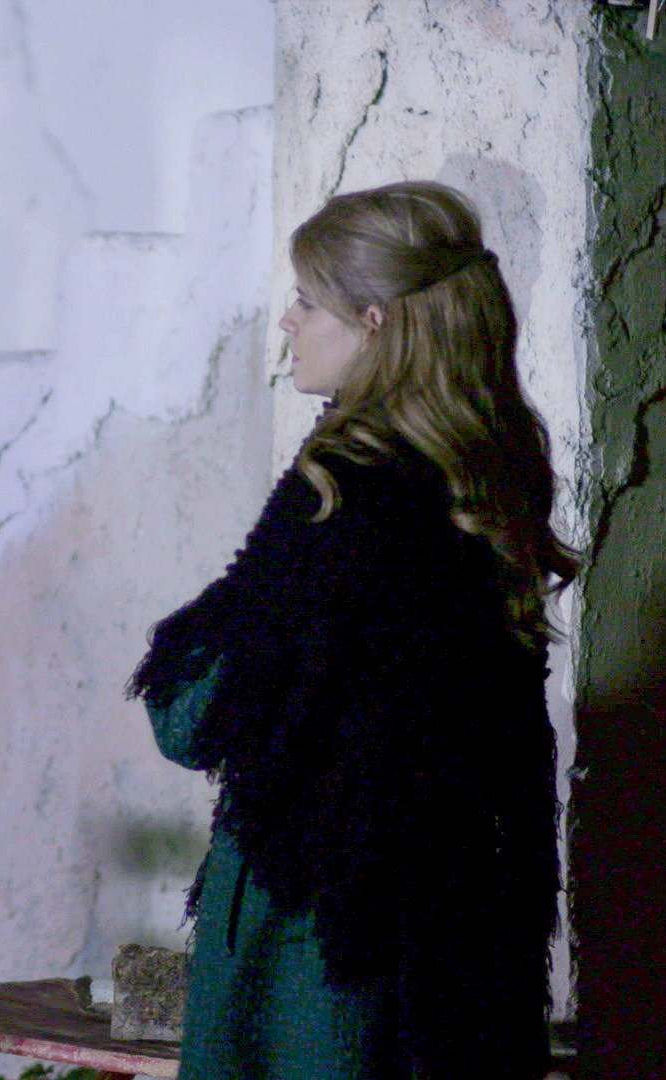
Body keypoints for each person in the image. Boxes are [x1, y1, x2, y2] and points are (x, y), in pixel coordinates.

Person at [127, 181, 577, 1079]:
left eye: (307, 300)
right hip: (461, 932)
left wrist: (197, 642)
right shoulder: (494, 481)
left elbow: (198, 717)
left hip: (322, 936)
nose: (288, 321)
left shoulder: (343, 492)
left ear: (374, 323)